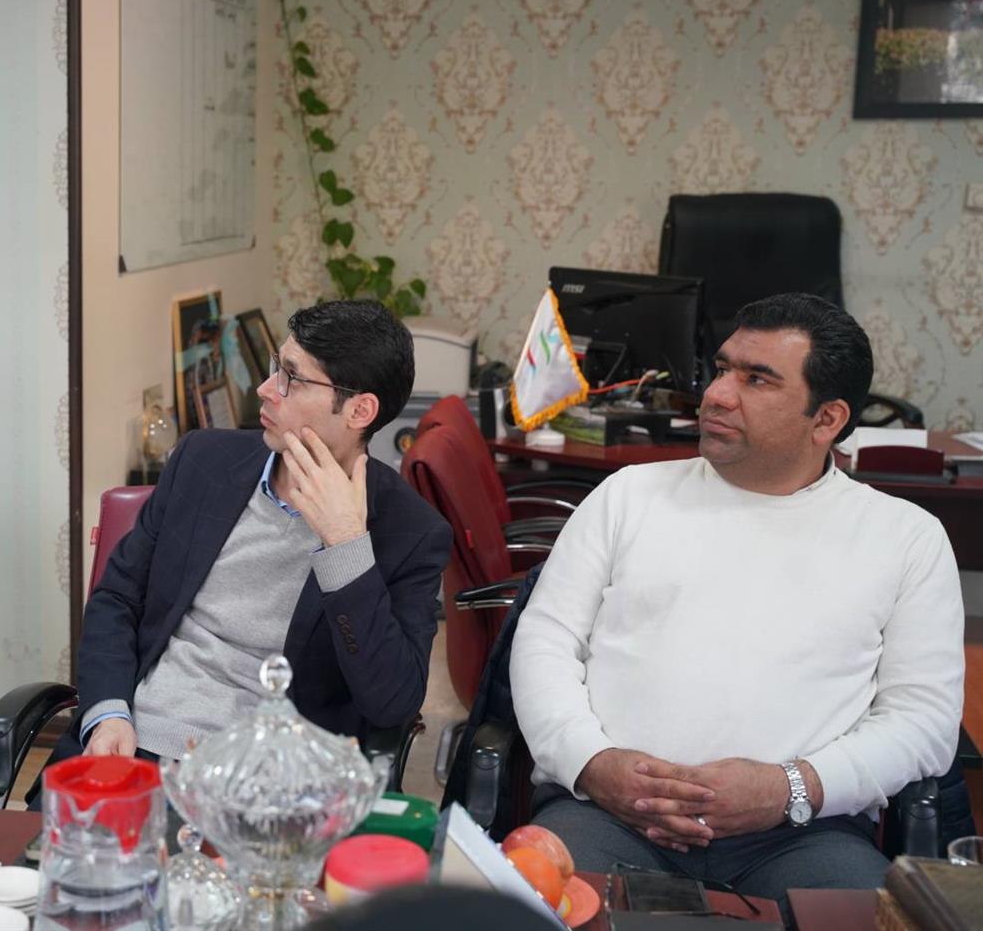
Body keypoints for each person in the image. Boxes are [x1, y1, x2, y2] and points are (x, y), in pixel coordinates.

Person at [510, 293, 963, 910]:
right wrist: (594, 763)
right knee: (526, 912)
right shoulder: (628, 495)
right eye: (722, 369)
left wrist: (790, 788)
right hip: (611, 811)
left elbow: (923, 720)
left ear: (826, 419)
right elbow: (544, 643)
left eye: (757, 380)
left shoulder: (906, 538)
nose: (717, 395)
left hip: (802, 832)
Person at [69, 300, 451, 762]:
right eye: (276, 366)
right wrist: (109, 714)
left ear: (359, 410)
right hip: (135, 740)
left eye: (292, 378)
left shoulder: (410, 532)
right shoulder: (202, 460)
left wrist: (346, 543)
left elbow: (391, 702)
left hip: (271, 775)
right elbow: (118, 597)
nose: (265, 389)